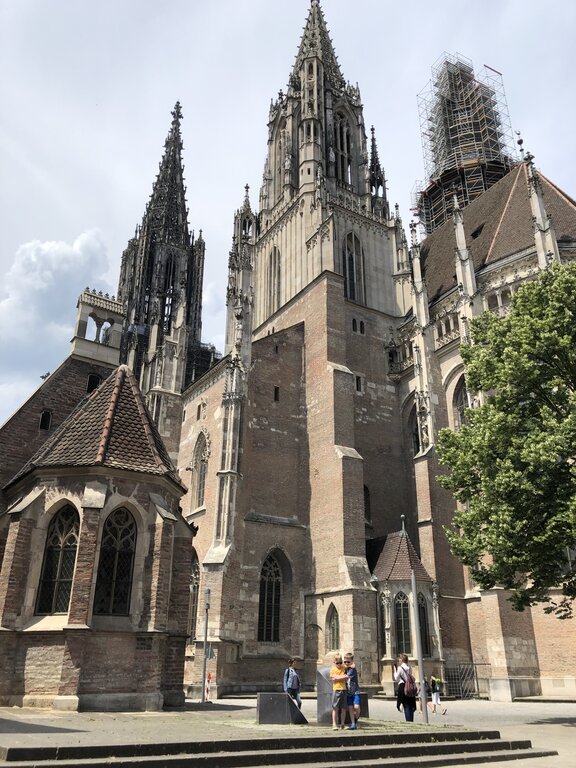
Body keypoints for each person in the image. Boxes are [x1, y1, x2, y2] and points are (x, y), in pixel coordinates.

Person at [394, 653, 417, 722]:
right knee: (410, 704)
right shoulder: (409, 667)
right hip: (410, 686)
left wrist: (395, 671)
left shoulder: (400, 668)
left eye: (400, 659)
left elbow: (396, 678)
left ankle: (408, 721)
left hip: (403, 686)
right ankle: (411, 720)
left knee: (406, 705)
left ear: (402, 660)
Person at [329, 655, 348, 730]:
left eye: (341, 662)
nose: (339, 664)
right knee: (335, 708)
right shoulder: (333, 670)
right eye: (338, 663)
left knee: (343, 708)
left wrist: (338, 677)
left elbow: (352, 666)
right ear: (334, 662)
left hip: (344, 689)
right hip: (336, 689)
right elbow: (333, 679)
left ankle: (342, 724)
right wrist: (343, 677)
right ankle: (334, 724)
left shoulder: (344, 668)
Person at [344, 652, 360, 729]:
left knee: (356, 707)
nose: (346, 663)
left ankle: (356, 719)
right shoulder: (345, 668)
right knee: (350, 708)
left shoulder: (352, 669)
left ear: (352, 661)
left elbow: (346, 677)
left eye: (348, 662)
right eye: (345, 662)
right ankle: (353, 723)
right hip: (348, 692)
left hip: (355, 691)